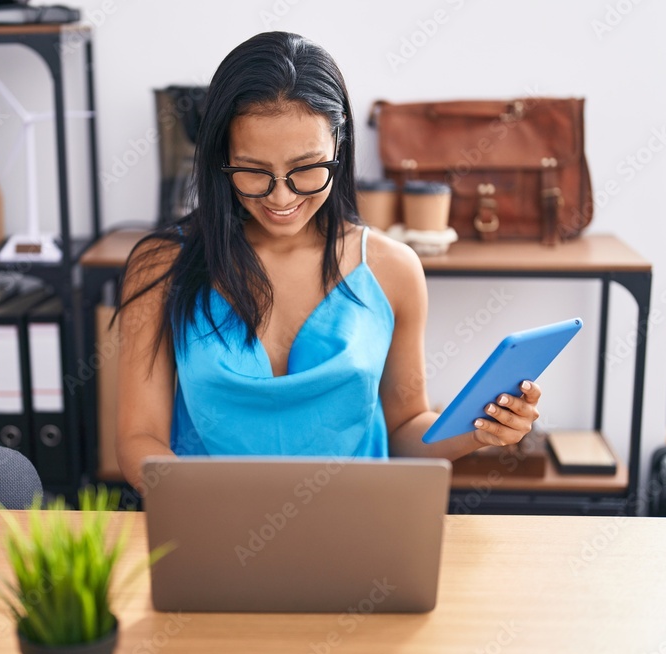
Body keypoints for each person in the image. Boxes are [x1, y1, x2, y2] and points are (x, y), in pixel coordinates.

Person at [114, 31, 541, 492]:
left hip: (357, 530)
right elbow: (140, 437)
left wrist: (478, 429)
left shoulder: (391, 269)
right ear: (221, 158)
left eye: (305, 169)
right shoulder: (161, 266)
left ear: (339, 145)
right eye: (254, 171)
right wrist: (209, 507)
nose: (281, 198)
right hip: (207, 525)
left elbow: (405, 428)